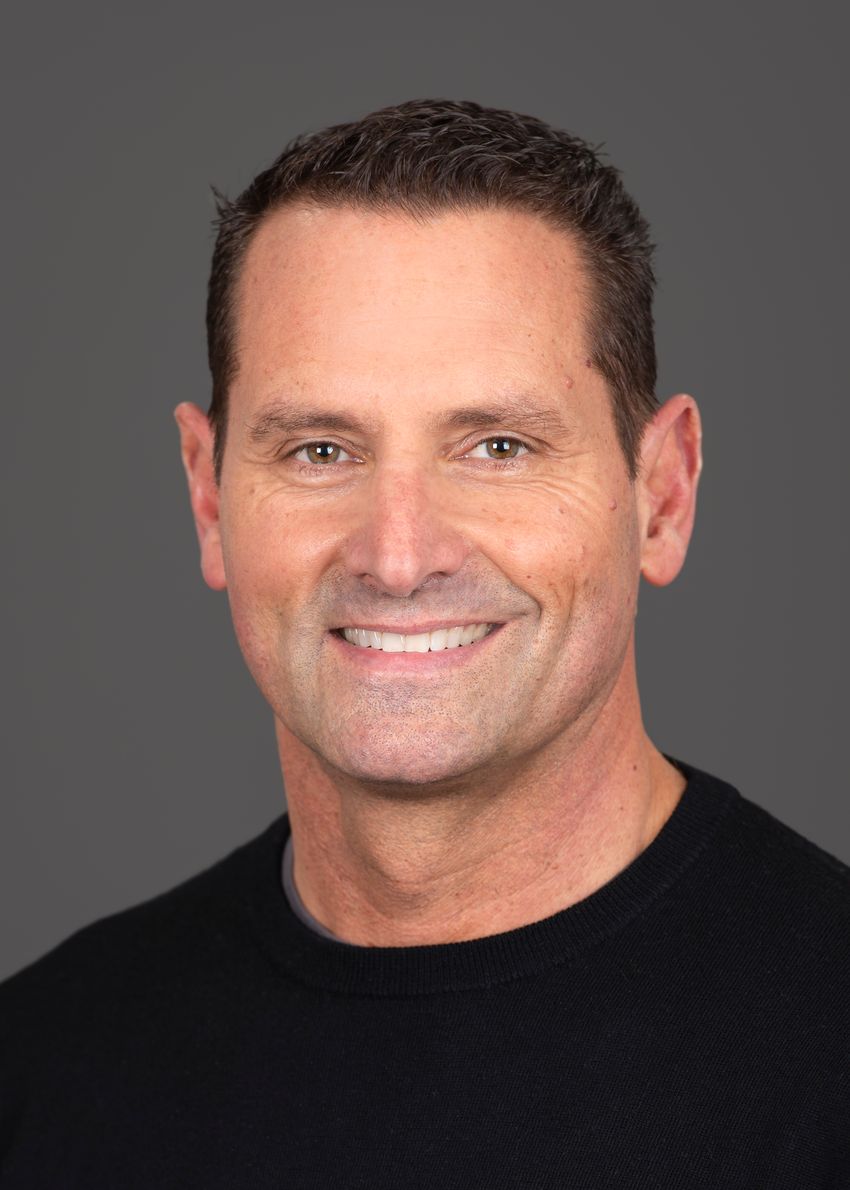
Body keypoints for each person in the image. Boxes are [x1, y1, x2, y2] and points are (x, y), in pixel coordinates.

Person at [1, 98, 848, 1189]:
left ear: (663, 493)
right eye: (317, 449)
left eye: (497, 445)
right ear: (209, 499)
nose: (399, 555)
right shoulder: (42, 1072)